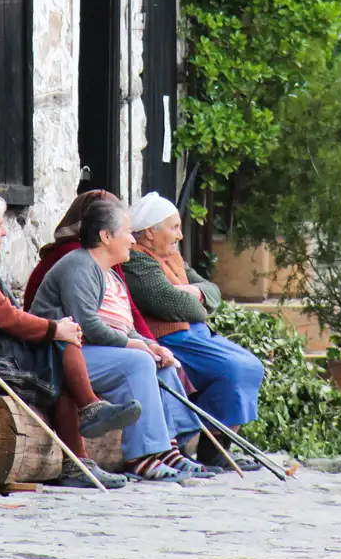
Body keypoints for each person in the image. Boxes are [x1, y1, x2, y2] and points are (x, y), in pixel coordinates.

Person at [0, 191, 141, 489]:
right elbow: (5, 316)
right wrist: (53, 329)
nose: (4, 231)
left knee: (62, 344)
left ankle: (84, 439)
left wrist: (57, 331)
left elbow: (4, 314)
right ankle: (85, 432)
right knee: (61, 345)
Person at [31, 199, 215, 481]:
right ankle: (142, 457)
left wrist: (152, 345)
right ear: (106, 236)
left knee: (160, 363)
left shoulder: (108, 274)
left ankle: (168, 449)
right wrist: (136, 346)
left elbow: (123, 326)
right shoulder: (79, 266)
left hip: (89, 353)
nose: (132, 239)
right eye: (127, 232)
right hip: (56, 358)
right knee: (139, 361)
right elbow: (87, 325)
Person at [123, 192, 265, 472]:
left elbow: (213, 292)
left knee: (249, 367)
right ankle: (200, 448)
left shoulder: (172, 257)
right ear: (151, 232)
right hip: (171, 339)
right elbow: (173, 304)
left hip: (196, 335)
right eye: (174, 227)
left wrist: (192, 291)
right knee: (237, 368)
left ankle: (216, 451)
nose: (180, 236)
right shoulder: (138, 261)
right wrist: (197, 301)